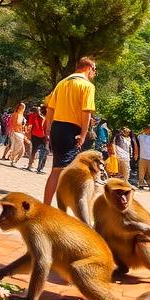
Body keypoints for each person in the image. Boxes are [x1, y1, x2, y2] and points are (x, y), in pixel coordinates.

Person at [42, 57, 97, 207]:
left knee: (56, 169)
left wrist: (48, 129)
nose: (94, 73)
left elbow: (50, 108)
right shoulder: (87, 86)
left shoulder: (62, 83)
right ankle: (60, 209)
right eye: (95, 70)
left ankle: (47, 206)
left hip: (57, 128)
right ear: (88, 68)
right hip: (71, 130)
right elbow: (86, 112)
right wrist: (84, 134)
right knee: (63, 171)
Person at [25, 104, 47, 173]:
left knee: (34, 151)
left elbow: (30, 125)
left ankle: (30, 165)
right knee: (43, 152)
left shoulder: (33, 115)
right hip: (43, 136)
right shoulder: (44, 116)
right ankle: (40, 168)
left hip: (35, 135)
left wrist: (28, 134)